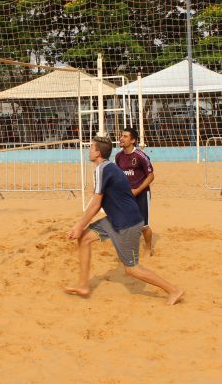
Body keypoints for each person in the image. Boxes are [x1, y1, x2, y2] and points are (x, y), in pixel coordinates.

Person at [65, 136, 183, 305]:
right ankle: (83, 286)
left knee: (132, 269)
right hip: (115, 219)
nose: (88, 150)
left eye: (91, 148)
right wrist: (81, 226)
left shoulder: (103, 169)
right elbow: (98, 200)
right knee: (84, 239)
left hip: (127, 223)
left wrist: (79, 225)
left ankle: (174, 290)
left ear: (97, 152)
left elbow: (96, 204)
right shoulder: (106, 167)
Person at [115, 127, 154, 255]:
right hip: (127, 195)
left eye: (125, 136)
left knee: (143, 225)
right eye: (121, 136)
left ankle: (148, 248)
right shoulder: (118, 156)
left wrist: (137, 190)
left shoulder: (140, 156)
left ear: (133, 140)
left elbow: (151, 176)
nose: (121, 138)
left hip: (142, 193)